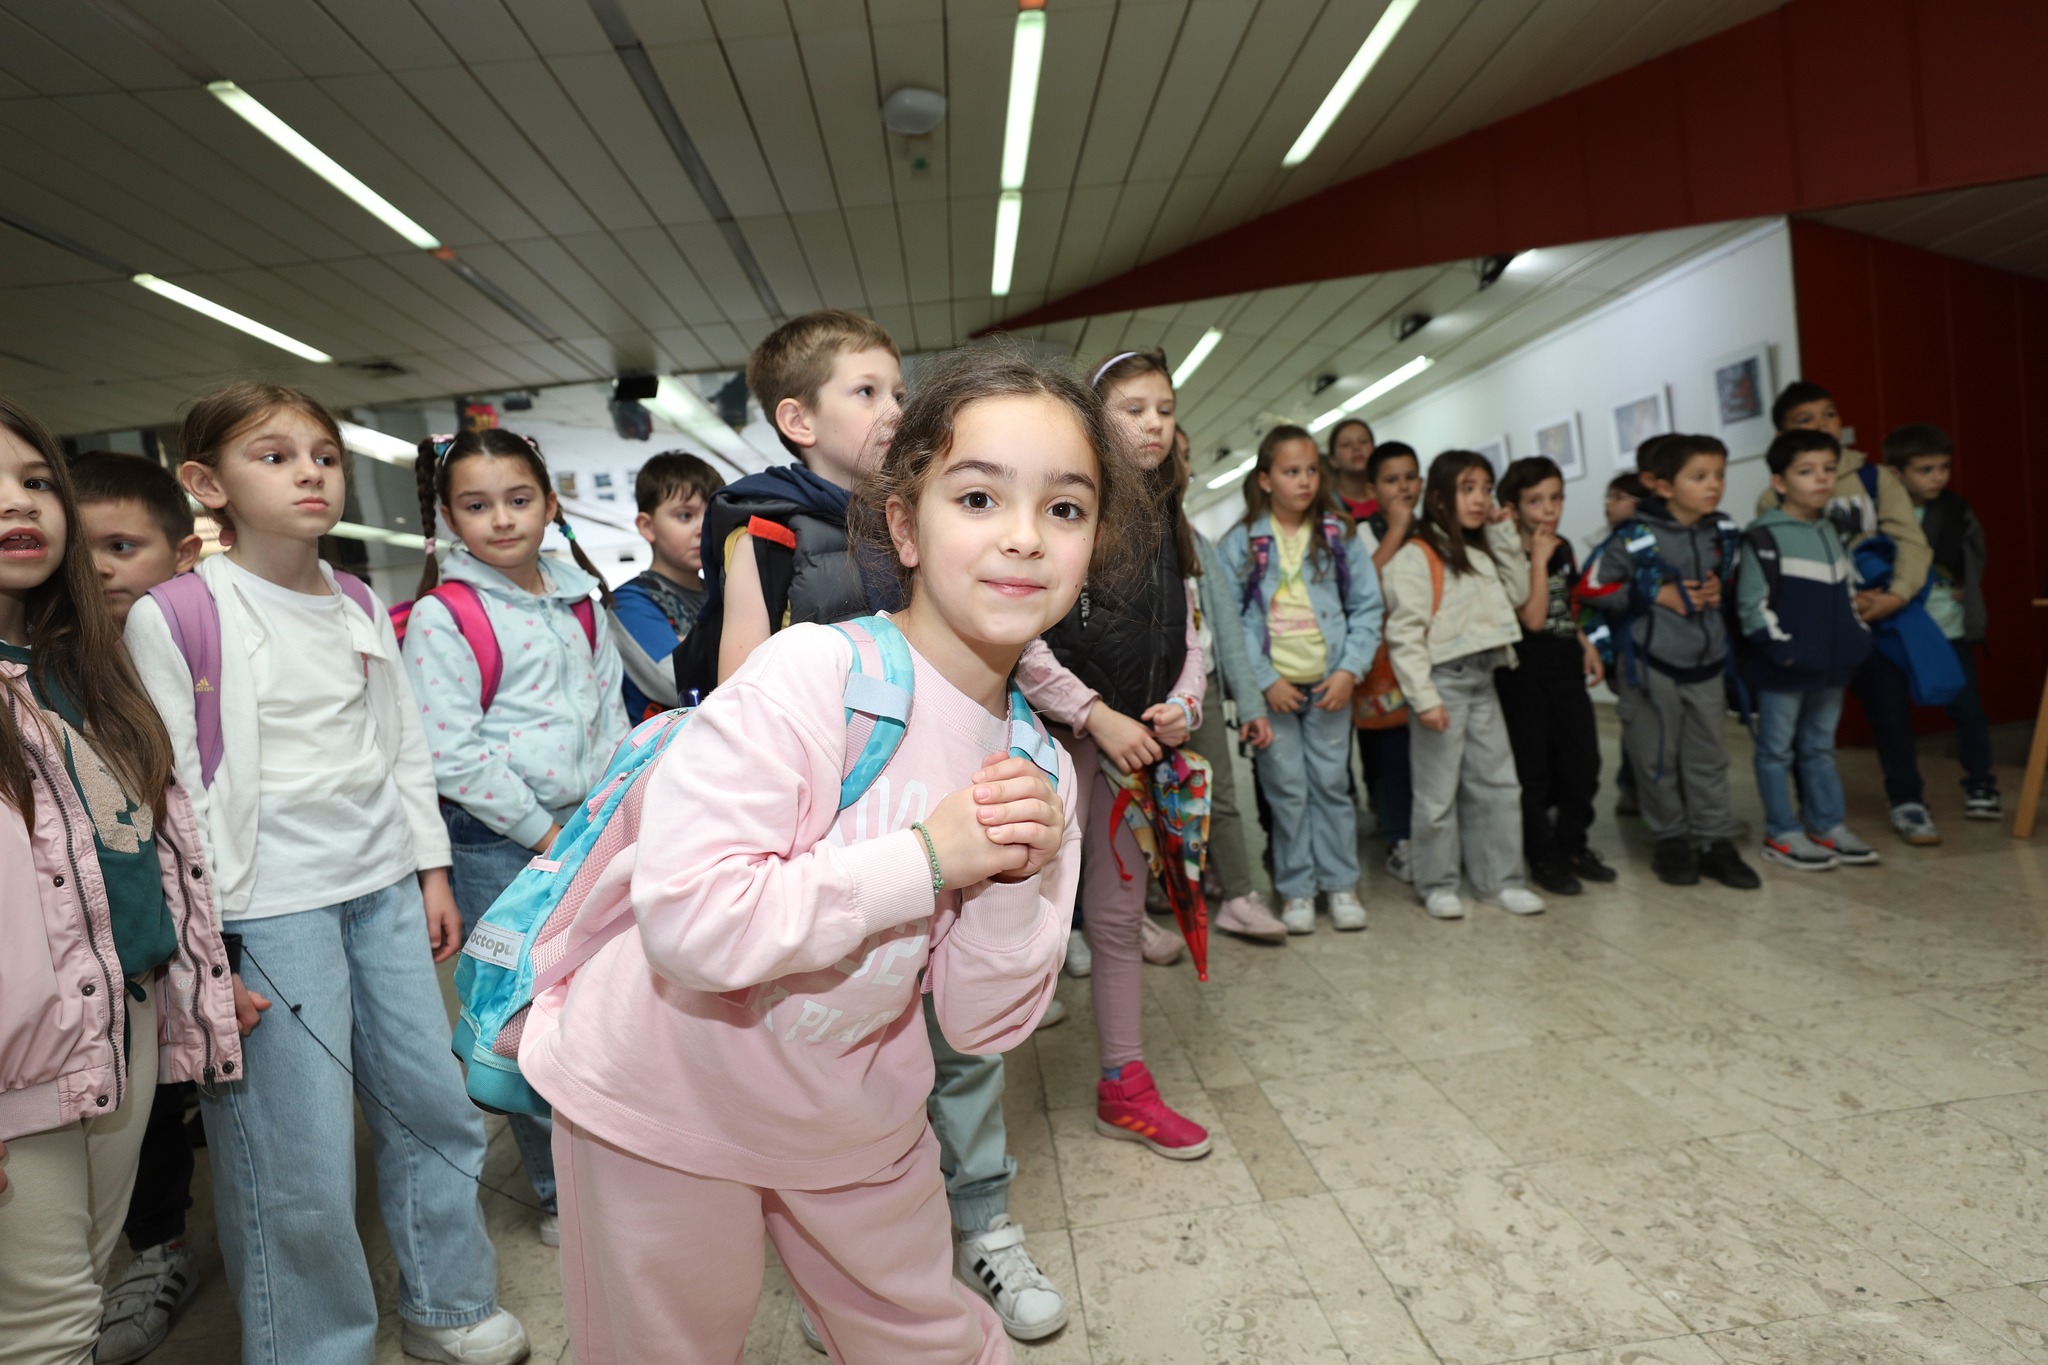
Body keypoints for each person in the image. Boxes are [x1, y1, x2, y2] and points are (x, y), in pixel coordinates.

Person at [517, 343, 1130, 1364]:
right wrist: (925, 859)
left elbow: (980, 1022)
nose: (1024, 536)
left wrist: (1013, 882)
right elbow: (691, 922)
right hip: (659, 1100)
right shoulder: (813, 673)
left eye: (1064, 508)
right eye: (978, 498)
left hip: (851, 1118)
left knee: (930, 1341)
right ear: (906, 526)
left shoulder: (1039, 767)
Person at [125, 384, 529, 1365]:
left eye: (324, 455)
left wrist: (430, 868)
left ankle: (449, 1305)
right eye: (273, 456)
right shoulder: (177, 613)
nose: (309, 472)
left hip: (381, 885)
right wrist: (205, 950)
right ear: (205, 483)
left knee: (433, 1105)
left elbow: (399, 742)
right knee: (295, 1155)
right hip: (266, 910)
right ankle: (313, 1347)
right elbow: (171, 796)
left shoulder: (354, 599)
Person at [697, 312, 1068, 1344]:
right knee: (844, 1051)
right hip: (842, 840)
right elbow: (740, 686)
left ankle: (980, 1222)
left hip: (955, 813)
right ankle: (845, 1276)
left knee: (959, 1049)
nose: (892, 408)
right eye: (865, 391)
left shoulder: (947, 521)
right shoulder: (766, 529)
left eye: (899, 390)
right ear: (796, 419)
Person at [0, 402, 242, 1365]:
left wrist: (201, 978)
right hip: (20, 1060)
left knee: (76, 1297)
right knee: (47, 1331)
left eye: (34, 480)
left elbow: (140, 855)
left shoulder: (84, 671)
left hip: (119, 1018)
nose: (18, 503)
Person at [403, 427, 630, 1248]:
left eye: (519, 498)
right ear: (449, 517)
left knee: (604, 998)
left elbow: (611, 714)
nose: (501, 518)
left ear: (551, 503)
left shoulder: (581, 600)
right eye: (476, 504)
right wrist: (547, 832)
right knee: (524, 1013)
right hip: (500, 842)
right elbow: (451, 750)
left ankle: (617, 1163)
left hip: (587, 827)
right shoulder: (444, 615)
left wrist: (611, 814)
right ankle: (561, 1189)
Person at [1018, 348, 1210, 1158]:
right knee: (1009, 916)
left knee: (1119, 916)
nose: (1153, 424)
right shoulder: (1066, 508)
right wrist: (1094, 714)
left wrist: (1186, 701)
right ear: (1097, 420)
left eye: (1164, 408)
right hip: (1059, 743)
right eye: (1134, 409)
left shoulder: (1170, 515)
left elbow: (1190, 631)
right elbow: (1021, 637)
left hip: (1135, 751)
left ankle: (1123, 1085)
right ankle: (954, 1120)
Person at [67, 451, 209, 1364]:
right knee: (135, 1106)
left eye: (123, 546)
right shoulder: (59, 670)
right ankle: (155, 1246)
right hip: (107, 946)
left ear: (182, 556)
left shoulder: (197, 655)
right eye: (85, 549)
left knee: (191, 1094)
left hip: (200, 921)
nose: (101, 568)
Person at [1757, 381, 1937, 844]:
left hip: (1877, 617)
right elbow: (1774, 571)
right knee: (1806, 727)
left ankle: (1908, 802)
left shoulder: (1876, 478)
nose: (1822, 424)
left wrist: (1896, 596)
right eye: (1806, 419)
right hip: (1814, 628)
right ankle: (1811, 816)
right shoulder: (1772, 498)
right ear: (1782, 436)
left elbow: (1912, 542)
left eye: (1829, 414)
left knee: (1890, 710)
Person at [1218, 425, 1380, 933]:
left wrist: (1350, 670)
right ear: (1266, 479)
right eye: (1292, 472)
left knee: (1332, 786)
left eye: (1312, 470)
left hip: (1331, 686)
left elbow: (1367, 607)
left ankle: (1341, 884)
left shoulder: (1339, 534)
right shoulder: (1242, 542)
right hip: (1275, 693)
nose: (1305, 481)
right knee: (1287, 792)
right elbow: (1231, 621)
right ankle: (1297, 889)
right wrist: (1265, 681)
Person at [1584, 434, 1760, 891]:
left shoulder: (1721, 531)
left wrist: (1717, 588)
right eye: (1699, 477)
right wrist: (1654, 594)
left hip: (1706, 661)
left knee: (1710, 757)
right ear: (1661, 486)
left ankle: (1714, 839)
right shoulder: (1634, 537)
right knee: (1657, 757)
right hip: (1651, 663)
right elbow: (1592, 588)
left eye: (1719, 475)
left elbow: (1727, 578)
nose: (1714, 485)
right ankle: (1670, 839)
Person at [1382, 451, 1545, 920]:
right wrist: (1424, 698)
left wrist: (1502, 534)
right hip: (1443, 683)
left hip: (1483, 678)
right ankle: (1437, 883)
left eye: (1486, 490)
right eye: (1467, 489)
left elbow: (1518, 593)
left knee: (1498, 785)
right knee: (1438, 793)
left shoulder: (1480, 549)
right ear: (1438, 497)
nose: (1479, 499)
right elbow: (1405, 635)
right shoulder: (1416, 555)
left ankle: (1501, 881)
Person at [1736, 429, 1878, 871]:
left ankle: (1827, 825)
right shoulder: (1762, 537)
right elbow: (1751, 607)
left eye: (1829, 469)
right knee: (1776, 751)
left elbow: (1849, 592)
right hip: (1785, 668)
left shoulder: (1831, 530)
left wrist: (1857, 638)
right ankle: (1781, 832)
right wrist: (1785, 653)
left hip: (1832, 668)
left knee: (1819, 748)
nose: (1821, 479)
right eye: (1806, 471)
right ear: (1779, 482)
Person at [1178, 428, 1287, 943]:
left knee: (1218, 796)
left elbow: (1226, 628)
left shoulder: (1198, 544)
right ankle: (1158, 895)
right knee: (1146, 802)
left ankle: (1239, 895)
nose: (1180, 466)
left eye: (1185, 456)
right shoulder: (1116, 534)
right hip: (1139, 694)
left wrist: (1250, 705)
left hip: (1202, 686)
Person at [1493, 457, 1616, 896]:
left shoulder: (1561, 547)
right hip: (1524, 672)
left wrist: (1585, 644)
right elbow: (1532, 616)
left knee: (1582, 763)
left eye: (1556, 498)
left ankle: (1572, 844)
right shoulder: (1504, 554)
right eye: (1536, 501)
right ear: (1512, 508)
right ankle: (1542, 853)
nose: (1549, 509)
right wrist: (1537, 562)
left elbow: (1562, 610)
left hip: (1565, 666)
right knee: (1534, 771)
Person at [1880, 422, 1999, 822]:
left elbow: (1975, 556)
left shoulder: (1956, 510)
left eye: (1944, 468)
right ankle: (1905, 795)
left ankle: (1981, 784)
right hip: (1898, 627)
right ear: (1896, 473)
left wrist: (1968, 587)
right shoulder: (1880, 512)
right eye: (1925, 470)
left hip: (1949, 626)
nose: (1938, 478)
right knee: (1894, 715)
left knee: (1968, 710)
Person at [1354, 441, 1422, 881]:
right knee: (1391, 758)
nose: (1404, 488)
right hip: (1383, 669)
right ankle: (1400, 838)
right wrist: (1396, 530)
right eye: (1392, 480)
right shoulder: (1360, 533)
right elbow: (1366, 585)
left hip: (1428, 660)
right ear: (1371, 490)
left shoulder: (1432, 528)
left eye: (1410, 478)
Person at [615, 450, 723, 721]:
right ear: (647, 526)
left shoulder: (720, 593)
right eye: (685, 516)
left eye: (712, 514)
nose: (703, 527)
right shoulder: (630, 602)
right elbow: (676, 682)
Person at [1598, 469, 1649, 816]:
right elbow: (1595, 593)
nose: (1608, 504)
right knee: (1636, 724)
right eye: (1609, 497)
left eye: (1618, 497)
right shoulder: (1609, 545)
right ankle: (1632, 789)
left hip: (1653, 646)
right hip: (1624, 649)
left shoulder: (1647, 540)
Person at [1327, 417, 1378, 523]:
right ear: (1333, 460)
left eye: (1363, 442)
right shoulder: (1328, 505)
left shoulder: (1387, 497)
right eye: (1346, 444)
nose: (1356, 448)